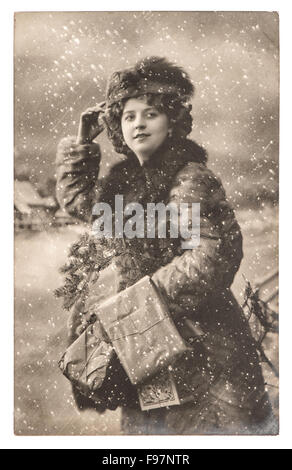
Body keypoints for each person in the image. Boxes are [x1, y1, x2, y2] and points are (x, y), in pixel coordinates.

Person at [55, 56, 276, 435]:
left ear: (172, 121)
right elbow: (82, 206)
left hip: (203, 347)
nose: (138, 123)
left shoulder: (188, 177)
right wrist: (80, 142)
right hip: (149, 346)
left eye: (151, 113)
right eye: (127, 116)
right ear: (116, 127)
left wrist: (138, 301)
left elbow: (212, 257)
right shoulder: (123, 183)